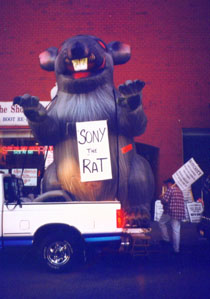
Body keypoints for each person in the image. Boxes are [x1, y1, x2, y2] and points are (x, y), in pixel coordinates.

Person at [158, 178, 185, 254]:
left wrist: (161, 198)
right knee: (176, 230)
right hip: (179, 212)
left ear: (169, 183)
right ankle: (176, 249)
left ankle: (166, 239)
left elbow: (165, 201)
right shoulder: (180, 190)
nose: (166, 185)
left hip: (170, 212)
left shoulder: (170, 189)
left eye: (167, 183)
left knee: (161, 222)